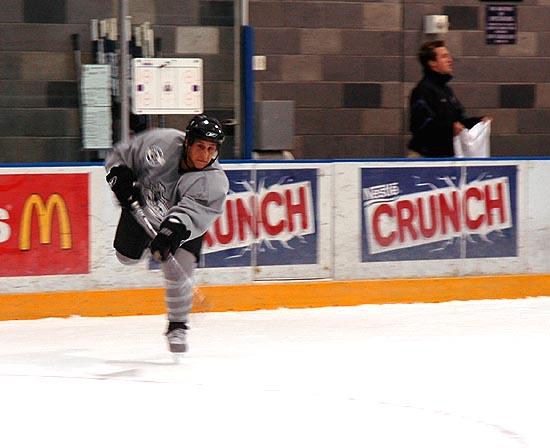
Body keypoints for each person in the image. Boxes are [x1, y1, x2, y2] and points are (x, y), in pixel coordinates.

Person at [105, 115, 229, 353]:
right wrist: (119, 175)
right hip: (142, 209)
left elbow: (193, 213)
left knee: (179, 267)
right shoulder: (160, 144)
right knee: (125, 257)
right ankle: (143, 244)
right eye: (200, 146)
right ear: (187, 143)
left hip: (181, 227)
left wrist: (171, 230)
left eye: (211, 149)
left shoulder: (213, 181)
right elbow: (120, 155)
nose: (205, 155)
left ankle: (177, 325)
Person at [408, 40, 492, 158]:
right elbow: (421, 126)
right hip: (425, 156)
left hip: (446, 155)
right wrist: (449, 129)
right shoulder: (422, 91)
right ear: (432, 63)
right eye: (444, 57)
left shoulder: (446, 91)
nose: (450, 60)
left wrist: (478, 122)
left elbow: (459, 120)